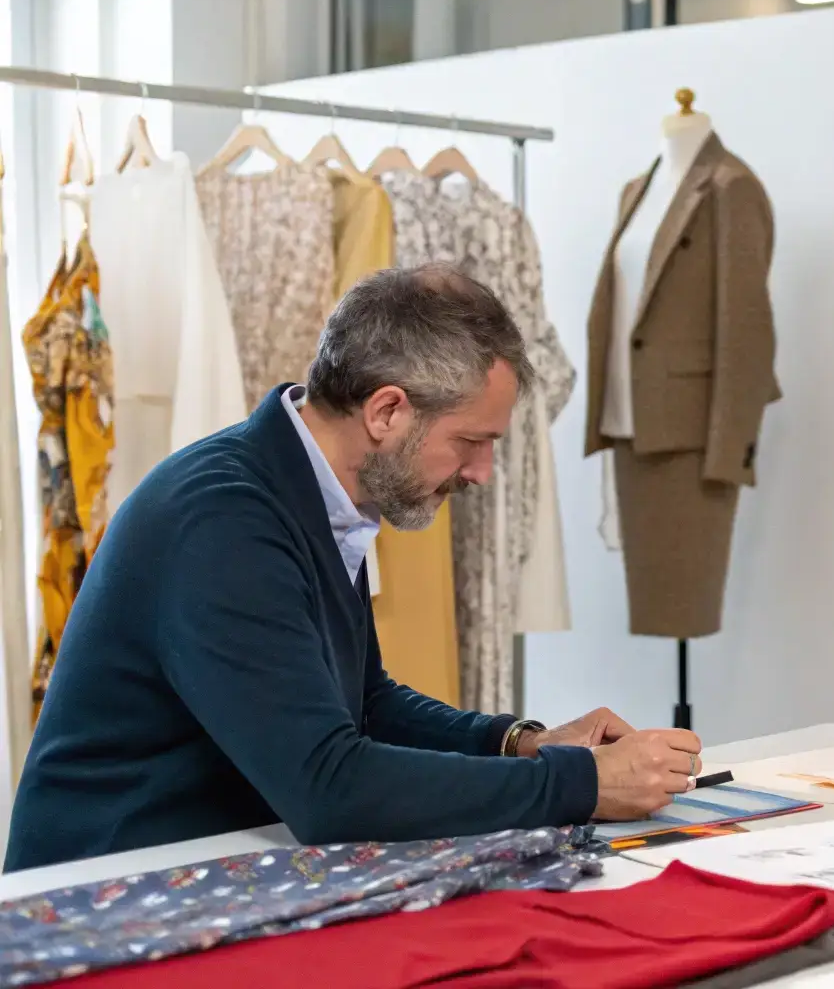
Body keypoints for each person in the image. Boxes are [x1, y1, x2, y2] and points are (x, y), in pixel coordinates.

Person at [6, 265, 704, 873]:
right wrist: (578, 783)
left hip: (204, 864)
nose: (482, 473)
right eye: (471, 441)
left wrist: (519, 744)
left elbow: (365, 706)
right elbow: (329, 788)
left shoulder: (302, 490)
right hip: (101, 901)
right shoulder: (224, 524)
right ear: (387, 411)